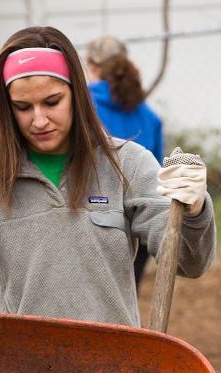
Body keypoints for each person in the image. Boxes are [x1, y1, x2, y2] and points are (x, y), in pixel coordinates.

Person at [0, 26, 214, 332]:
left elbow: (188, 261)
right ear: (6, 107)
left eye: (52, 102)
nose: (39, 120)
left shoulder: (126, 164)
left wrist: (194, 211)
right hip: (20, 369)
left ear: (77, 95)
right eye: (23, 107)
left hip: (114, 368)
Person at [86, 36, 163, 289]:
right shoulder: (149, 117)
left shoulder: (79, 105)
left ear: (92, 66)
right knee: (125, 298)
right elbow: (157, 175)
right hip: (138, 223)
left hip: (94, 219)